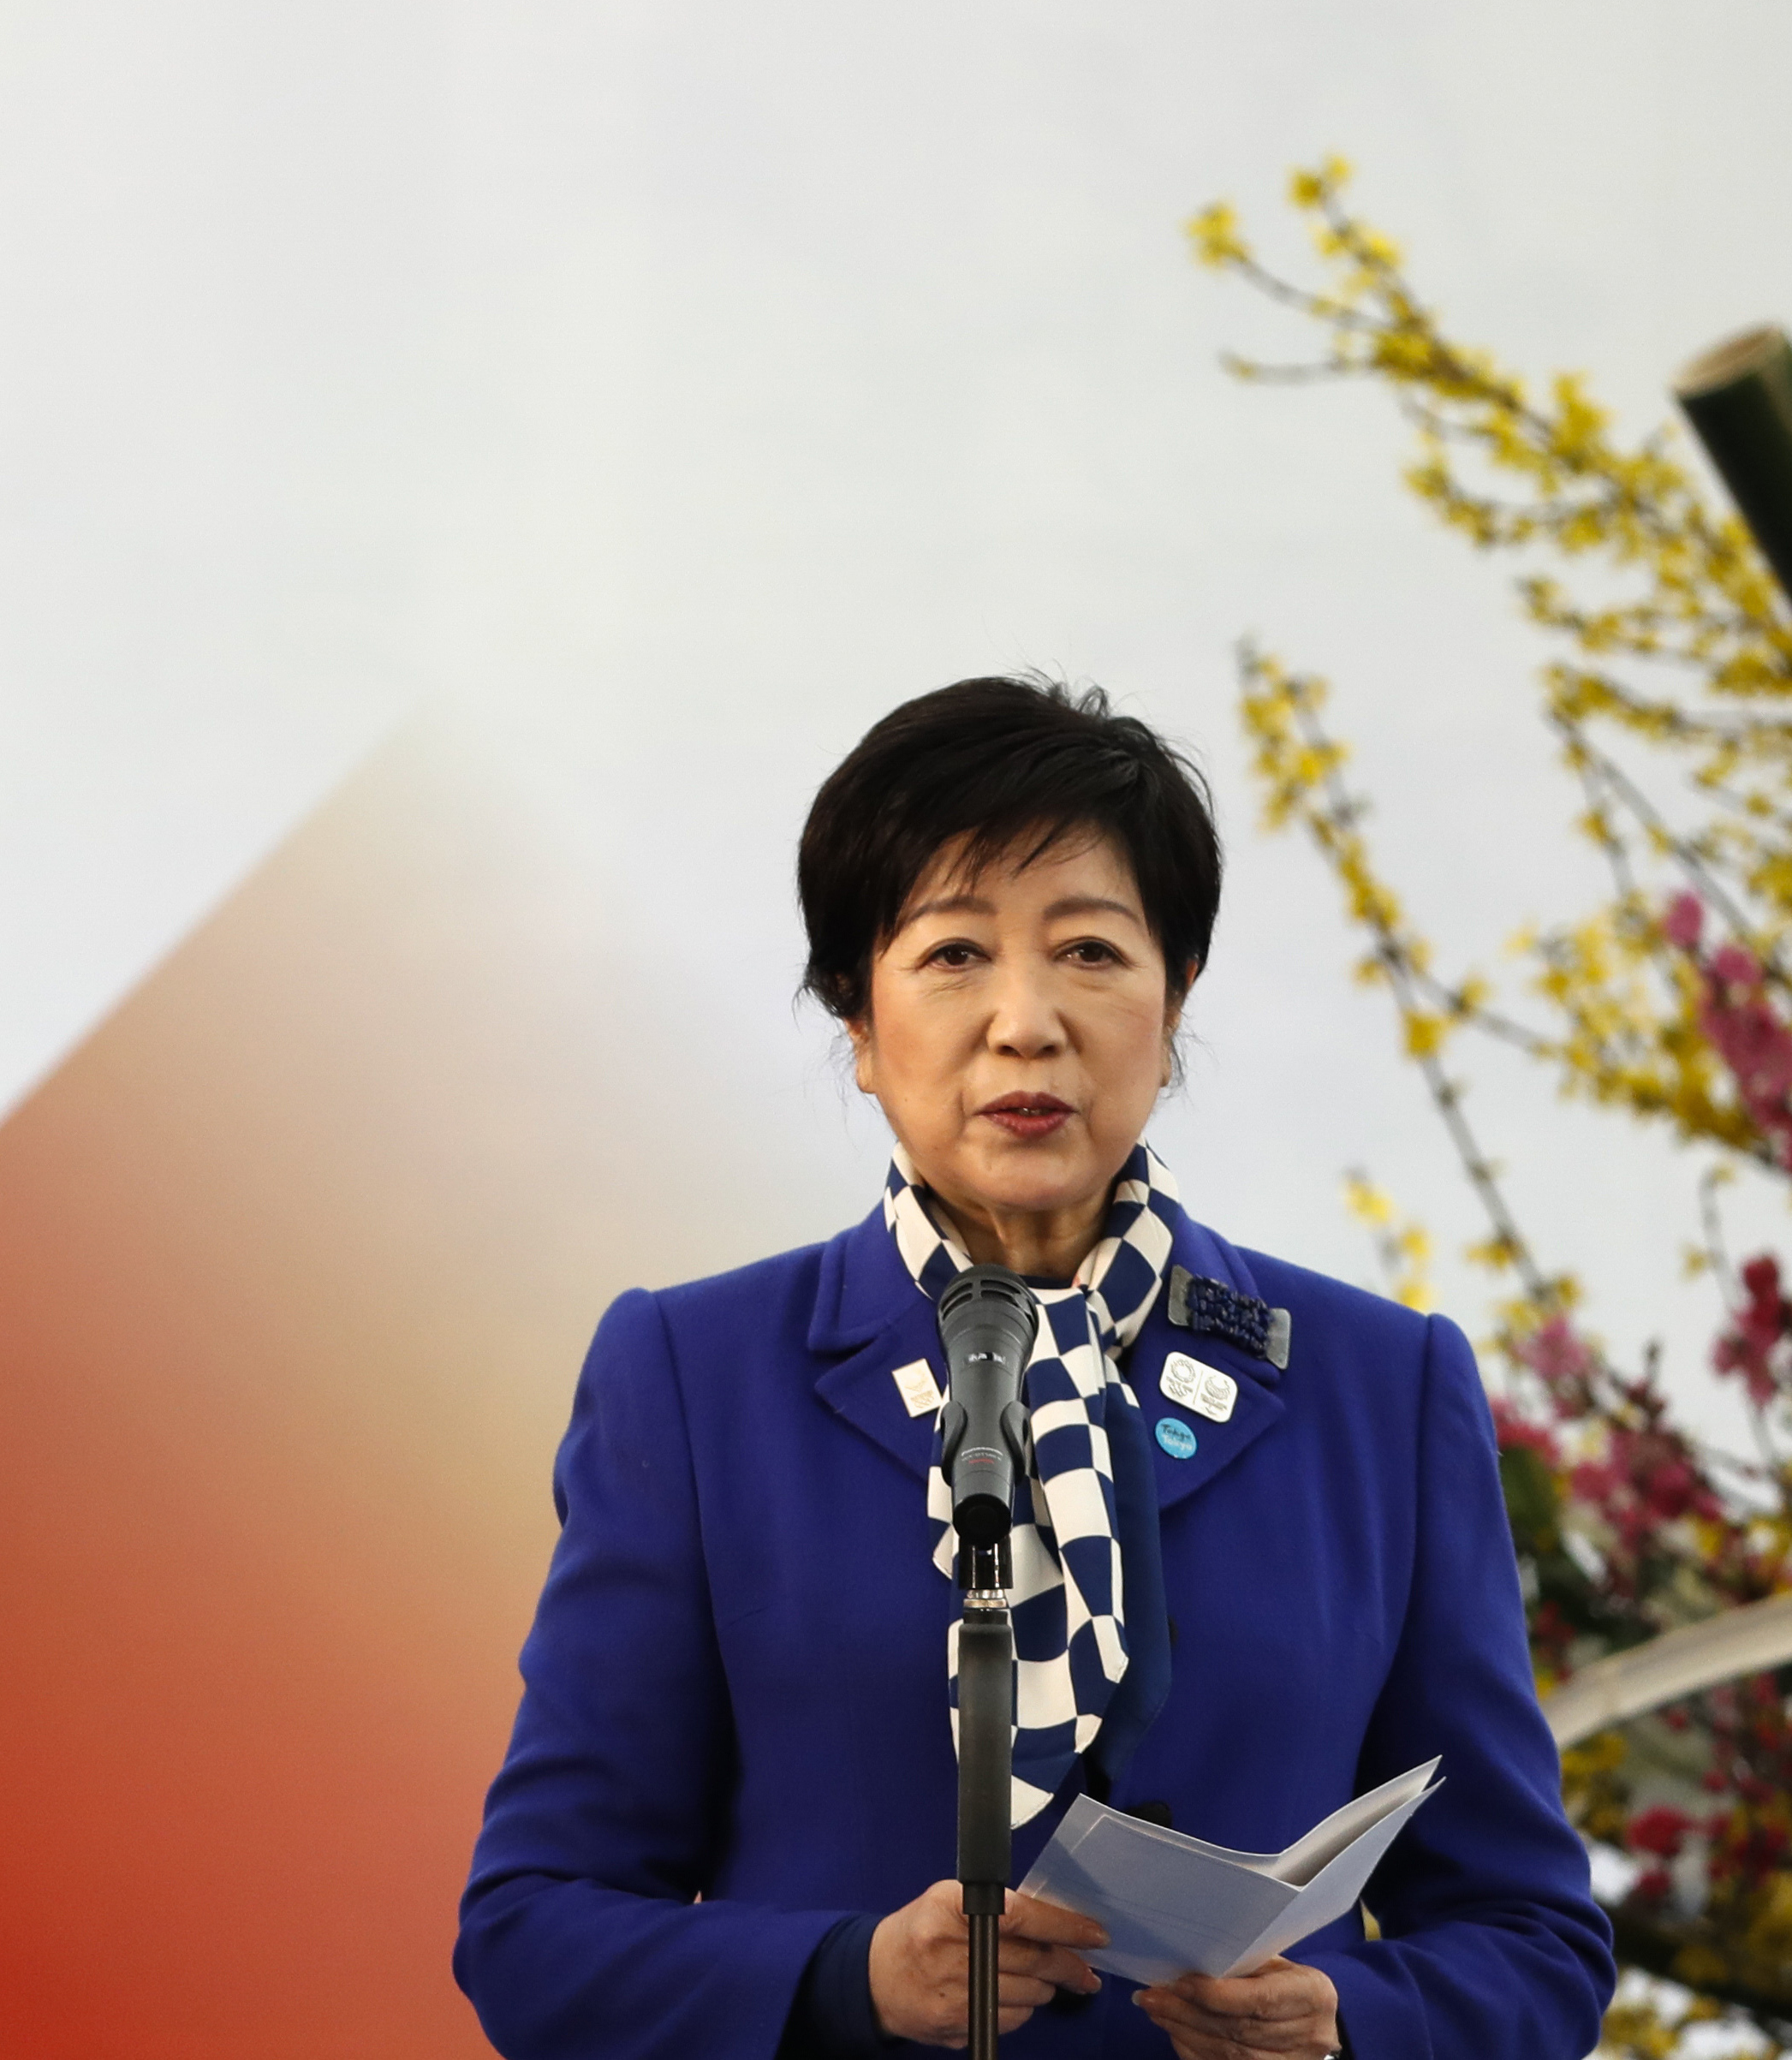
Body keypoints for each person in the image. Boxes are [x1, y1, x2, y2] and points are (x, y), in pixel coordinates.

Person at [453, 677, 1613, 2059]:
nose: (1026, 1020)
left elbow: (1533, 1940)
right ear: (857, 1018)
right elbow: (534, 1930)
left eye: (1091, 952)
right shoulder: (697, 1377)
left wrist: (1349, 2020)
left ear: (1175, 998)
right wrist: (849, 1978)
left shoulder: (1381, 1385)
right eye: (952, 954)